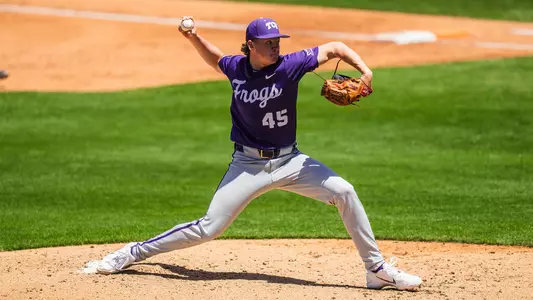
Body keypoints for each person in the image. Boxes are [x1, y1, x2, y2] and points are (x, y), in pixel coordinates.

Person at [93, 16, 422, 291]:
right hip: (247, 165)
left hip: (291, 162)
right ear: (251, 45)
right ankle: (131, 254)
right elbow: (216, 60)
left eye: (277, 39)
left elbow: (336, 48)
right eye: (268, 41)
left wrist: (365, 71)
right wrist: (194, 37)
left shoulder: (291, 65)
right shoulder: (237, 68)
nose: (275, 45)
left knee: (344, 191)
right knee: (210, 227)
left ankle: (376, 270)